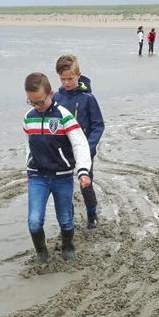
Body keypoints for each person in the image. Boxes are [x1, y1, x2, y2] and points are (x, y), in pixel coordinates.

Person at [22, 72, 92, 263]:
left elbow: (80, 144)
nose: (37, 106)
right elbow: (29, 145)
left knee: (66, 219)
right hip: (37, 176)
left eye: (40, 102)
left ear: (51, 94)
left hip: (62, 176)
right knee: (34, 221)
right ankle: (41, 252)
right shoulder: (29, 118)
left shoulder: (64, 116)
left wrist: (83, 171)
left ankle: (68, 245)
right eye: (31, 102)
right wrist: (28, 167)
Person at [53, 54, 105, 229]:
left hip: (85, 153)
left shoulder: (88, 99)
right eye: (63, 79)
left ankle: (92, 215)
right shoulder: (56, 99)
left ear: (78, 75)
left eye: (70, 78)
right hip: (63, 153)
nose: (66, 83)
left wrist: (87, 147)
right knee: (65, 188)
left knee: (85, 184)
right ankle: (69, 220)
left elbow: (98, 125)